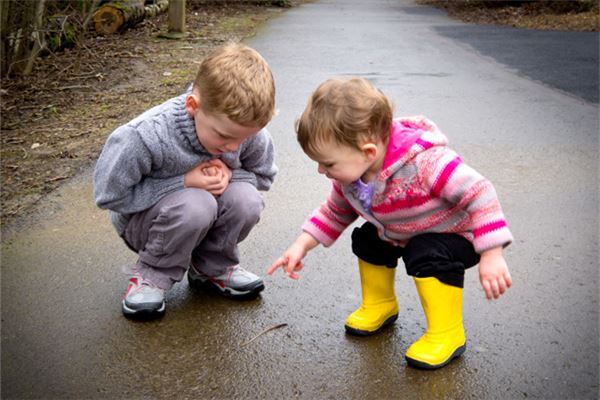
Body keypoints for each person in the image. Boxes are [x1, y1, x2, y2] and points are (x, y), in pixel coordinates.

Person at [268, 78, 513, 369]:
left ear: (368, 151)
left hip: (457, 236)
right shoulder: (352, 177)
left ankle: (447, 332)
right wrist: (300, 246)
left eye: (328, 163)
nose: (321, 170)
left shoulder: (427, 163)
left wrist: (492, 253)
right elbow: (334, 212)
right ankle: (380, 304)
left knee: (424, 251)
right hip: (402, 232)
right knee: (368, 237)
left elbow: (479, 192)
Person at [94, 43, 277, 319]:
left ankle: (212, 267)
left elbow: (264, 175)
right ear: (193, 106)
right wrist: (184, 181)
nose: (233, 147)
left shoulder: (245, 130)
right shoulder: (144, 136)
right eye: (224, 136)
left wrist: (231, 175)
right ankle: (152, 274)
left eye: (242, 139)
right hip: (144, 223)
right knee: (196, 203)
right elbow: (110, 196)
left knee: (246, 198)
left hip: (198, 215)